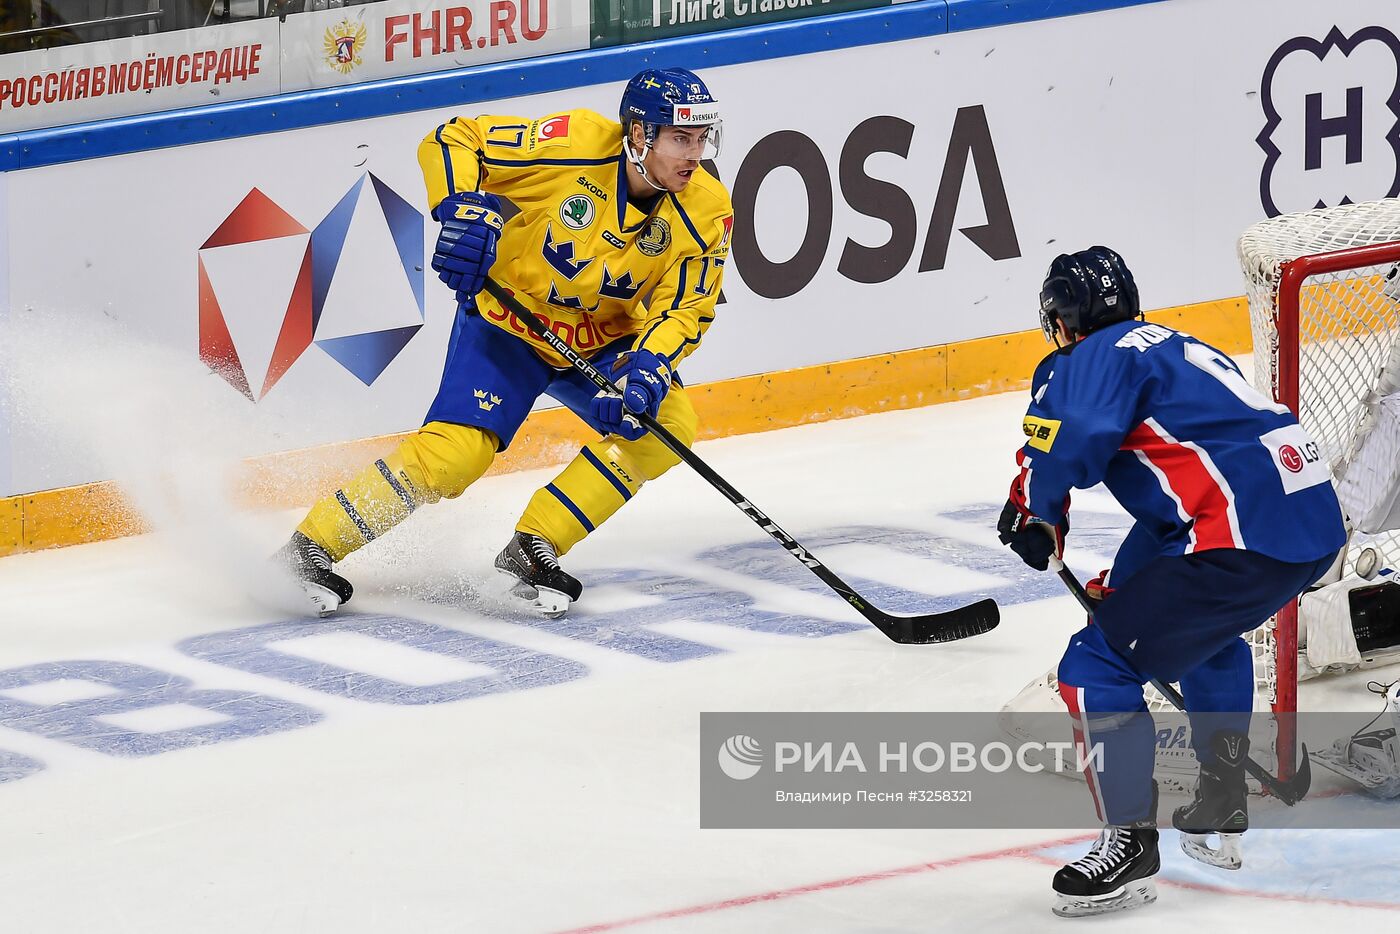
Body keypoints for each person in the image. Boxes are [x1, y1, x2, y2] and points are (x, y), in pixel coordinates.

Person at [276, 67, 733, 618]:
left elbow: (686, 306)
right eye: (681, 138)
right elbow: (454, 138)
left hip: (601, 342)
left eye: (701, 138)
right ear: (638, 135)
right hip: (510, 323)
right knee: (454, 457)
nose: (695, 153)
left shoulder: (708, 208)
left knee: (666, 427)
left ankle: (535, 544)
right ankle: (307, 549)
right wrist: (461, 207)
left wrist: (651, 365)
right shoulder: (576, 144)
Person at [995, 246, 1345, 918]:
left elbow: (1068, 443)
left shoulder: (1091, 357)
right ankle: (1222, 791)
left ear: (1063, 322)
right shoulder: (1175, 344)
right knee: (1201, 635)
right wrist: (1124, 586)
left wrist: (1038, 512)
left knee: (1094, 666)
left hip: (1240, 540)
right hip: (1307, 522)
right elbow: (1180, 478)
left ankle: (1128, 844)